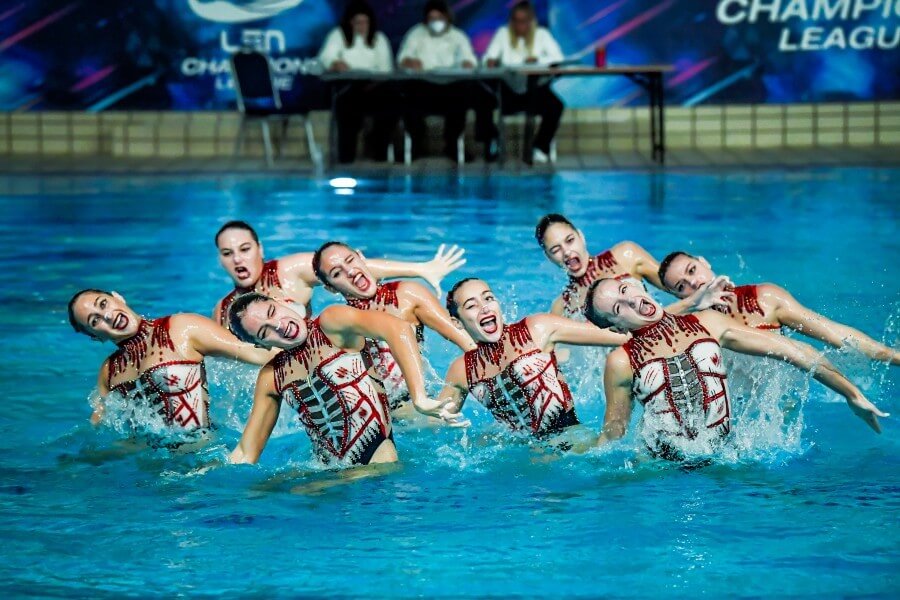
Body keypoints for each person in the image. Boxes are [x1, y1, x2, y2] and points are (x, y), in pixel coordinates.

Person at [584, 278, 888, 461]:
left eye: (625, 289)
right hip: (662, 469)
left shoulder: (707, 323)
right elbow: (615, 429)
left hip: (723, 457)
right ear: (617, 326)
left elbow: (796, 351)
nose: (631, 301)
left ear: (637, 284)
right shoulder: (621, 361)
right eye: (619, 308)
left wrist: (851, 394)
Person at [415, 278, 729, 443]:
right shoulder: (461, 370)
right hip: (519, 453)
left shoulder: (537, 328)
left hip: (570, 445)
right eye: (471, 305)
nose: (485, 307)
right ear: (457, 322)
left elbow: (621, 332)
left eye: (488, 298)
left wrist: (690, 304)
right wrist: (409, 413)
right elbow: (437, 420)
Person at [226, 293, 463, 467]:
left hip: (377, 469)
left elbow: (398, 328)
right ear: (261, 345)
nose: (279, 326)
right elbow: (246, 453)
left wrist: (419, 396)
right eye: (265, 332)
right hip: (326, 473)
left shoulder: (331, 324)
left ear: (282, 302)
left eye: (272, 312)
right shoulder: (272, 376)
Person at [67, 289, 273, 432]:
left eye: (103, 304)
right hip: (153, 469)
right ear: (96, 337)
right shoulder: (110, 372)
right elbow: (98, 428)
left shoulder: (181, 328)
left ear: (117, 297)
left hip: (204, 459)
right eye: (95, 320)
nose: (107, 316)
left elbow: (255, 353)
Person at [312, 241, 476, 411]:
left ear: (361, 257)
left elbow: (468, 343)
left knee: (469, 365)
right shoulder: (339, 321)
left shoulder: (407, 295)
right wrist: (420, 269)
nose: (350, 272)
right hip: (381, 415)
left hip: (425, 406)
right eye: (337, 273)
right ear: (330, 288)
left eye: (350, 260)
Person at [658, 251, 900, 365]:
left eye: (692, 270)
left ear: (704, 262)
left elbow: (836, 335)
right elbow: (643, 333)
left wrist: (890, 355)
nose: (695, 283)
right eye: (682, 287)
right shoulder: (684, 327)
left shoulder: (763, 299)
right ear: (677, 297)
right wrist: (692, 303)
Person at [212, 220, 466, 329]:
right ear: (220, 260)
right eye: (227, 253)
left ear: (260, 248)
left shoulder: (287, 271)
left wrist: (421, 269)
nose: (238, 259)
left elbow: (349, 269)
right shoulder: (223, 311)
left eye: (245, 249)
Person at [396, 0, 496, 161]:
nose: (436, 22)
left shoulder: (458, 36)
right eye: (432, 18)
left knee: (471, 93)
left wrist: (467, 63)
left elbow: (470, 60)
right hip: (423, 86)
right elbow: (402, 59)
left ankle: (455, 145)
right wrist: (409, 62)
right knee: (407, 94)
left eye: (439, 18)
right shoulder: (416, 34)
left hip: (451, 86)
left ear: (447, 18)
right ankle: (415, 146)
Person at [535, 213, 666, 319]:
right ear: (549, 257)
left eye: (570, 240)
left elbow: (674, 284)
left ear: (581, 236)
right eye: (556, 250)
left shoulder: (625, 256)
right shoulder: (561, 308)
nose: (567, 252)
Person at [483, 0, 564, 165]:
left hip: (535, 90)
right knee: (482, 100)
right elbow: (488, 58)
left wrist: (538, 60)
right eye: (516, 21)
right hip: (508, 91)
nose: (519, 25)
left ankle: (540, 147)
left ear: (531, 21)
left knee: (556, 106)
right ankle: (493, 141)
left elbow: (558, 58)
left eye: (523, 21)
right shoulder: (503, 34)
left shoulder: (542, 35)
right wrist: (490, 61)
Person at [317, 0, 396, 163]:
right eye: (357, 22)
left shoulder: (379, 39)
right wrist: (335, 63)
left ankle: (379, 154)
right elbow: (325, 57)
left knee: (391, 101)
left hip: (374, 87)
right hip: (347, 87)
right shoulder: (338, 36)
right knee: (346, 105)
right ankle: (346, 157)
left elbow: (386, 69)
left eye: (365, 22)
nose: (361, 26)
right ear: (350, 22)